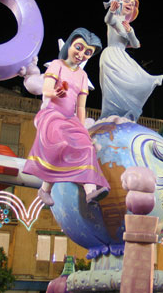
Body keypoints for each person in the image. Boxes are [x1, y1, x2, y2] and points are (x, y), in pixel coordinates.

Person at [23, 28, 110, 206]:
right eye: (79, 47)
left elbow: (80, 106)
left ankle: (90, 193)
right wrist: (55, 92)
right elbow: (46, 89)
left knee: (86, 147)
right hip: (51, 114)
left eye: (87, 52)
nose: (81, 54)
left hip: (70, 119)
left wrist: (82, 130)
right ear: (70, 44)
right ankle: (45, 189)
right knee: (61, 145)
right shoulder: (57, 65)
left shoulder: (83, 76)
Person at [99, 0, 163, 121]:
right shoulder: (115, 18)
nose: (130, 4)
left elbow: (136, 44)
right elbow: (108, 19)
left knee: (133, 81)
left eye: (133, 4)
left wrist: (130, 32)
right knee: (112, 85)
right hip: (111, 54)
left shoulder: (128, 26)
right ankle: (110, 113)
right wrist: (111, 10)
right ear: (119, 3)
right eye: (127, 1)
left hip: (122, 56)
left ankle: (125, 112)